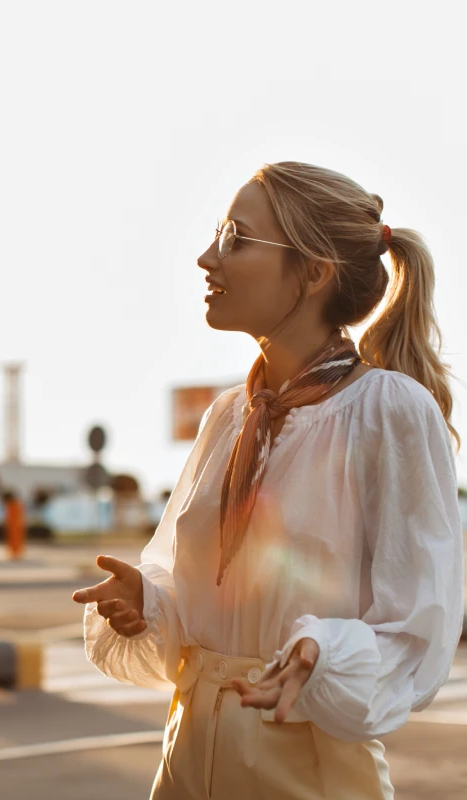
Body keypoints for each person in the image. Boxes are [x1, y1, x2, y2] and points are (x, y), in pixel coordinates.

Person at [73, 161, 463, 799]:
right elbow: (201, 615)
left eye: (235, 237)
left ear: (313, 273)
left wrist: (323, 653)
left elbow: (418, 630)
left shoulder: (389, 409)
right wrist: (145, 607)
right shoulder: (229, 416)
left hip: (307, 773)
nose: (207, 257)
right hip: (184, 764)